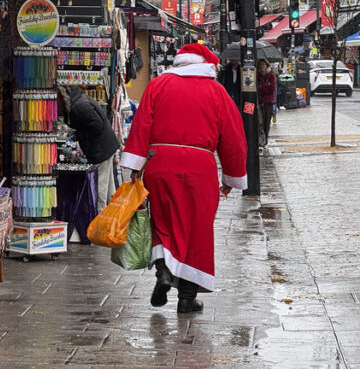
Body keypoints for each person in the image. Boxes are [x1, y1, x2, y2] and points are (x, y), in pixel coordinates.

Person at [119, 43, 247, 314]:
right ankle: (187, 298)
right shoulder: (217, 92)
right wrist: (232, 177)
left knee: (164, 222)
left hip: (160, 164)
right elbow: (234, 138)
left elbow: (142, 124)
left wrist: (135, 164)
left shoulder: (157, 85)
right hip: (200, 169)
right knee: (197, 230)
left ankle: (164, 271)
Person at [57, 85, 120, 213]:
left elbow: (96, 125)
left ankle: (100, 215)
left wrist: (78, 135)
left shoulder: (79, 107)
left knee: (100, 185)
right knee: (108, 185)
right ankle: (112, 214)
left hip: (100, 149)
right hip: (105, 145)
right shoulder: (79, 100)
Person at [257, 58, 276, 147]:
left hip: (268, 102)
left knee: (266, 123)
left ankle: (265, 140)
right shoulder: (256, 76)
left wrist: (262, 87)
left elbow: (272, 88)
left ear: (267, 65)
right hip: (259, 102)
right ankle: (261, 141)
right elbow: (256, 89)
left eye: (263, 65)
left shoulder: (271, 76)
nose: (261, 66)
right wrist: (264, 87)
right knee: (260, 122)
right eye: (260, 65)